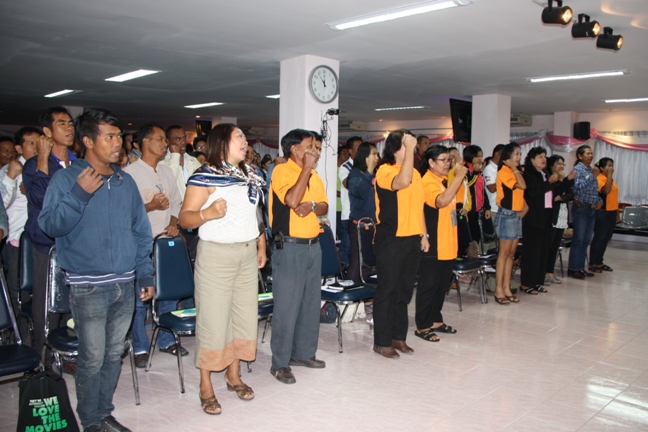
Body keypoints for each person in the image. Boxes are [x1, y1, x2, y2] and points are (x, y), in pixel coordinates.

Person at [39, 108, 154, 432]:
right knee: (92, 357)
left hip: (125, 284)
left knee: (114, 353)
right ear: (88, 141)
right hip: (88, 286)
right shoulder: (67, 179)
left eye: (119, 136)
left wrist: (145, 272)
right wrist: (79, 194)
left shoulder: (124, 181)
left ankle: (103, 413)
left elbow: (140, 231)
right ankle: (90, 421)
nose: (118, 143)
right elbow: (49, 225)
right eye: (110, 137)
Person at [178, 123, 266, 414]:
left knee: (243, 317)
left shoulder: (251, 174)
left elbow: (257, 214)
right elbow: (185, 219)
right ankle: (205, 385)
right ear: (222, 143)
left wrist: (261, 245)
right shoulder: (204, 176)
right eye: (239, 137)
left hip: (246, 254)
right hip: (216, 256)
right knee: (213, 321)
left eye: (244, 137)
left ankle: (233, 375)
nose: (245, 141)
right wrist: (207, 213)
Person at [268, 129, 328, 384]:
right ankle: (280, 363)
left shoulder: (315, 176)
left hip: (314, 246)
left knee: (310, 304)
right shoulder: (282, 171)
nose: (314, 151)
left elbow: (324, 205)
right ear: (294, 149)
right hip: (290, 247)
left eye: (315, 147)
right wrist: (305, 169)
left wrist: (313, 205)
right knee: (287, 306)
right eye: (309, 146)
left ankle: (303, 354)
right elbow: (292, 200)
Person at [124, 122, 184, 367]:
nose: (165, 143)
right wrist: (151, 206)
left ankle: (166, 340)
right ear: (145, 142)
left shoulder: (166, 171)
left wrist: (173, 223)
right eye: (160, 139)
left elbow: (177, 202)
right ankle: (139, 346)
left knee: (167, 295)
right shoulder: (130, 173)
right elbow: (126, 212)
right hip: (142, 246)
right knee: (141, 299)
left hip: (165, 242)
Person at [23, 106, 76, 353]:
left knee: (74, 303)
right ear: (47, 131)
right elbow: (40, 199)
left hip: (75, 244)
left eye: (71, 123)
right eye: (62, 123)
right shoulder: (34, 164)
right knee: (47, 305)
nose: (69, 127)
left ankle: (68, 356)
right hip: (48, 244)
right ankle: (42, 359)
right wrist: (43, 158)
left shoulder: (79, 164)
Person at [373, 130, 426, 359]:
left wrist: (424, 234)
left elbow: (419, 206)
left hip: (412, 238)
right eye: (407, 145)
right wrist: (411, 147)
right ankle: (382, 341)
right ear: (395, 149)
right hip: (391, 239)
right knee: (387, 290)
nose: (411, 149)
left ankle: (398, 337)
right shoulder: (385, 170)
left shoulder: (416, 173)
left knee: (404, 291)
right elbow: (402, 183)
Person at [415, 145, 466, 342]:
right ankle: (422, 326)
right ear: (431, 162)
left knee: (441, 285)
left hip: (447, 241)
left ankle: (435, 319)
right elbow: (441, 201)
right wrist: (458, 177)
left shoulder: (443, 181)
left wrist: (458, 179)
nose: (447, 164)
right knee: (428, 285)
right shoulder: (427, 181)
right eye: (443, 160)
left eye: (449, 160)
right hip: (433, 242)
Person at [1, 126, 40, 320]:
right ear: (19, 148)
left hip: (40, 237)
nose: (36, 147)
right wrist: (10, 178)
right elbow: (2, 205)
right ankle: (17, 331)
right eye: (31, 143)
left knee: (41, 289)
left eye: (38, 143)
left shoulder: (44, 168)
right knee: (18, 291)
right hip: (18, 239)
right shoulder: (9, 170)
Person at [520, 147, 559, 294]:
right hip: (533, 218)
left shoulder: (545, 173)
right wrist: (548, 183)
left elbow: (554, 192)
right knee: (532, 252)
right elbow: (532, 193)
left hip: (546, 216)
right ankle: (526, 283)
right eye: (540, 156)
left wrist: (566, 180)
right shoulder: (529, 175)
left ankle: (537, 281)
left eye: (544, 156)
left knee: (543, 251)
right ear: (532, 159)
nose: (544, 159)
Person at [493, 142, 527, 305]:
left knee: (511, 255)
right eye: (516, 154)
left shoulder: (515, 172)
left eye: (520, 154)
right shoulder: (505, 172)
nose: (519, 157)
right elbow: (523, 185)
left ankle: (507, 288)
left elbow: (520, 193)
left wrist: (525, 206)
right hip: (506, 215)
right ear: (508, 156)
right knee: (504, 254)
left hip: (516, 215)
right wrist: (514, 168)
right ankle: (498, 289)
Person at [568, 144, 603, 279]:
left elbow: (593, 190)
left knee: (586, 240)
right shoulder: (578, 170)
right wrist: (592, 176)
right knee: (579, 239)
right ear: (580, 156)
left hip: (591, 208)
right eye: (587, 153)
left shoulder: (590, 170)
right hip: (581, 208)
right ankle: (573, 268)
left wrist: (599, 200)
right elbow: (578, 189)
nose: (590, 156)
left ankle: (580, 267)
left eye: (591, 153)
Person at [346, 142, 379, 284]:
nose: (377, 158)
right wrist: (369, 171)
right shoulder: (354, 174)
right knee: (358, 261)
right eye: (374, 154)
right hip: (359, 224)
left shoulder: (374, 175)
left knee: (370, 261)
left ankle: (364, 290)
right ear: (365, 156)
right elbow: (359, 192)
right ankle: (352, 291)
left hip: (373, 224)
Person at [544, 155, 575, 285]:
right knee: (548, 245)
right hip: (551, 215)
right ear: (551, 165)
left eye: (563, 164)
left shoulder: (566, 179)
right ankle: (543, 273)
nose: (561, 166)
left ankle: (550, 272)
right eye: (559, 163)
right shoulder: (548, 178)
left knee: (555, 246)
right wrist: (563, 181)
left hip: (562, 214)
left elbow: (571, 194)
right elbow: (553, 193)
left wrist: (561, 198)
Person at [589, 157, 618, 273]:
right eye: (608, 166)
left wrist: (616, 213)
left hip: (612, 211)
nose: (611, 168)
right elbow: (605, 191)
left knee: (606, 238)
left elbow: (614, 197)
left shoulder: (610, 179)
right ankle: (593, 263)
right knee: (599, 238)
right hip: (603, 213)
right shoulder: (600, 178)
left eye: (612, 165)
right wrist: (609, 175)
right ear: (601, 168)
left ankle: (599, 261)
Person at [160, 125, 202, 199]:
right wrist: (175, 155)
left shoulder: (193, 160)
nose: (183, 142)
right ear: (168, 141)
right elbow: (169, 182)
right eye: (178, 139)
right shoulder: (162, 162)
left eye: (184, 138)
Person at [338, 136, 362, 266]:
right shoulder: (345, 167)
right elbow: (347, 184)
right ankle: (344, 271)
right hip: (348, 215)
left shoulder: (366, 167)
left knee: (360, 247)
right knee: (347, 246)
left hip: (362, 214)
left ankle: (357, 271)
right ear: (351, 151)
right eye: (358, 147)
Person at [462, 145, 490, 245]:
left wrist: (487, 207)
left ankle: (474, 253)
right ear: (470, 156)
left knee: (476, 238)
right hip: (468, 210)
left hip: (478, 210)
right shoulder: (464, 169)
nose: (480, 159)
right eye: (477, 156)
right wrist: (475, 173)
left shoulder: (477, 171)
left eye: (481, 156)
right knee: (468, 238)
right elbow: (467, 185)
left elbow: (482, 190)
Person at [482, 144, 505, 219]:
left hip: (502, 207)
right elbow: (491, 188)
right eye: (504, 156)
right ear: (497, 154)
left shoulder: (501, 168)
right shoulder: (489, 169)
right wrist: (505, 179)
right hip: (493, 209)